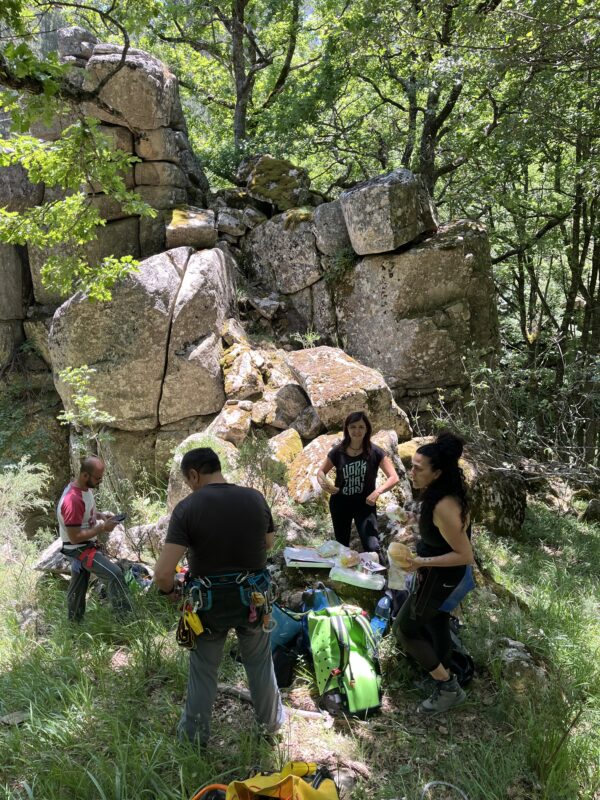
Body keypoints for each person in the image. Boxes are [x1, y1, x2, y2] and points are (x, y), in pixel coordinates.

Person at [153, 447, 284, 746]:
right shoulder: (254, 498)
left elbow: (162, 573)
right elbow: (268, 541)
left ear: (194, 475)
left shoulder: (187, 509)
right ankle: (272, 723)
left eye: (189, 481)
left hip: (208, 605)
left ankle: (194, 738)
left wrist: (171, 591)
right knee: (260, 663)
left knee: (203, 671)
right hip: (254, 600)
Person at [392, 432, 474, 715]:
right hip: (439, 574)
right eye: (411, 465)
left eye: (417, 468)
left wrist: (421, 563)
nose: (410, 471)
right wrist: (415, 521)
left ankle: (448, 687)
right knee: (437, 619)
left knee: (405, 629)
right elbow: (442, 533)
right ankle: (444, 666)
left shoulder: (444, 506)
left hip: (441, 578)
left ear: (437, 472)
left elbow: (465, 555)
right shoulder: (440, 493)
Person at [58, 456, 133, 622]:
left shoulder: (84, 489)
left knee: (78, 585)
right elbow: (75, 537)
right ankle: (127, 621)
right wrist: (102, 527)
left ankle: (74, 624)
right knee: (114, 574)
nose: (100, 481)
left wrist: (100, 515)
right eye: (98, 478)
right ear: (85, 475)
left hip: (83, 544)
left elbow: (84, 515)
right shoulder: (72, 500)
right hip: (78, 548)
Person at [316, 411, 399, 554]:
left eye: (361, 427)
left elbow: (394, 477)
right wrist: (325, 484)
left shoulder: (375, 452)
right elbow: (320, 472)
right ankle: (343, 575)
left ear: (367, 429)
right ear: (347, 429)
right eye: (353, 426)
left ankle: (378, 574)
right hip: (340, 504)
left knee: (372, 547)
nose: (357, 430)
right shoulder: (338, 451)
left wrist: (377, 492)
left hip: (365, 505)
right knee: (341, 547)